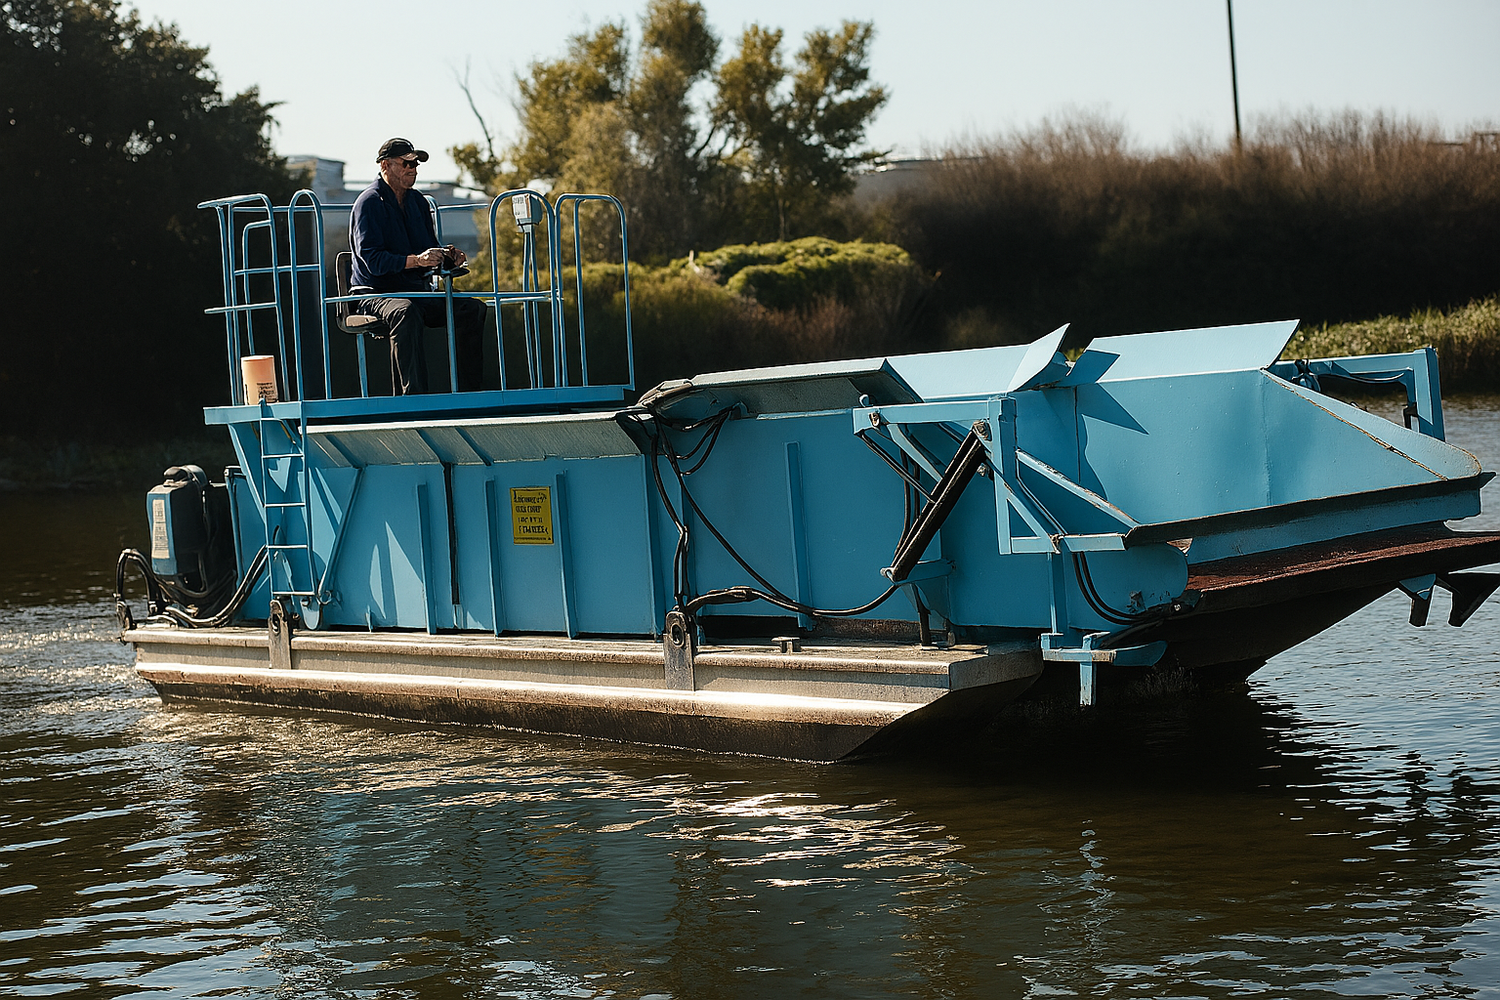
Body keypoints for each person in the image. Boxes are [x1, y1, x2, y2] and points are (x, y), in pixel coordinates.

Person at [350, 137, 485, 394]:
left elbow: (428, 250)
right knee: (405, 311)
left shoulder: (419, 203)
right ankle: (413, 400)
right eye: (406, 163)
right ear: (385, 166)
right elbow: (374, 261)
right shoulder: (368, 203)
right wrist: (417, 261)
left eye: (415, 164)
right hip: (375, 293)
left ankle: (472, 394)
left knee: (472, 309)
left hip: (415, 290)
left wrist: (447, 257)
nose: (413, 169)